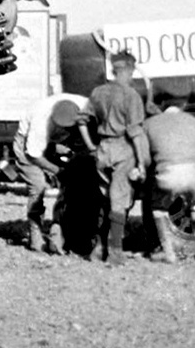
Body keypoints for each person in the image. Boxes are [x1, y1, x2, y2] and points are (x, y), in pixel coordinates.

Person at [76, 51, 150, 266]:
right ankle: (115, 253)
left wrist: (91, 146)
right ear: (129, 70)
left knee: (106, 201)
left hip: (102, 151)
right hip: (122, 148)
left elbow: (81, 121)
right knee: (119, 202)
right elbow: (135, 132)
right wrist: (140, 163)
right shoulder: (131, 95)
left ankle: (99, 249)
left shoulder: (98, 92)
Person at [143, 101, 195, 263]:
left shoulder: (149, 124)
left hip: (167, 174)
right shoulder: (192, 120)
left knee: (158, 208)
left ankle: (168, 253)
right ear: (182, 106)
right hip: (194, 174)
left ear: (160, 107)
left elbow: (145, 158)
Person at [13, 93, 88, 254]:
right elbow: (33, 154)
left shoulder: (85, 105)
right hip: (28, 144)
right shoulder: (41, 122)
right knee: (38, 186)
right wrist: (59, 172)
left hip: (57, 141)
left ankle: (66, 229)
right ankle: (36, 234)